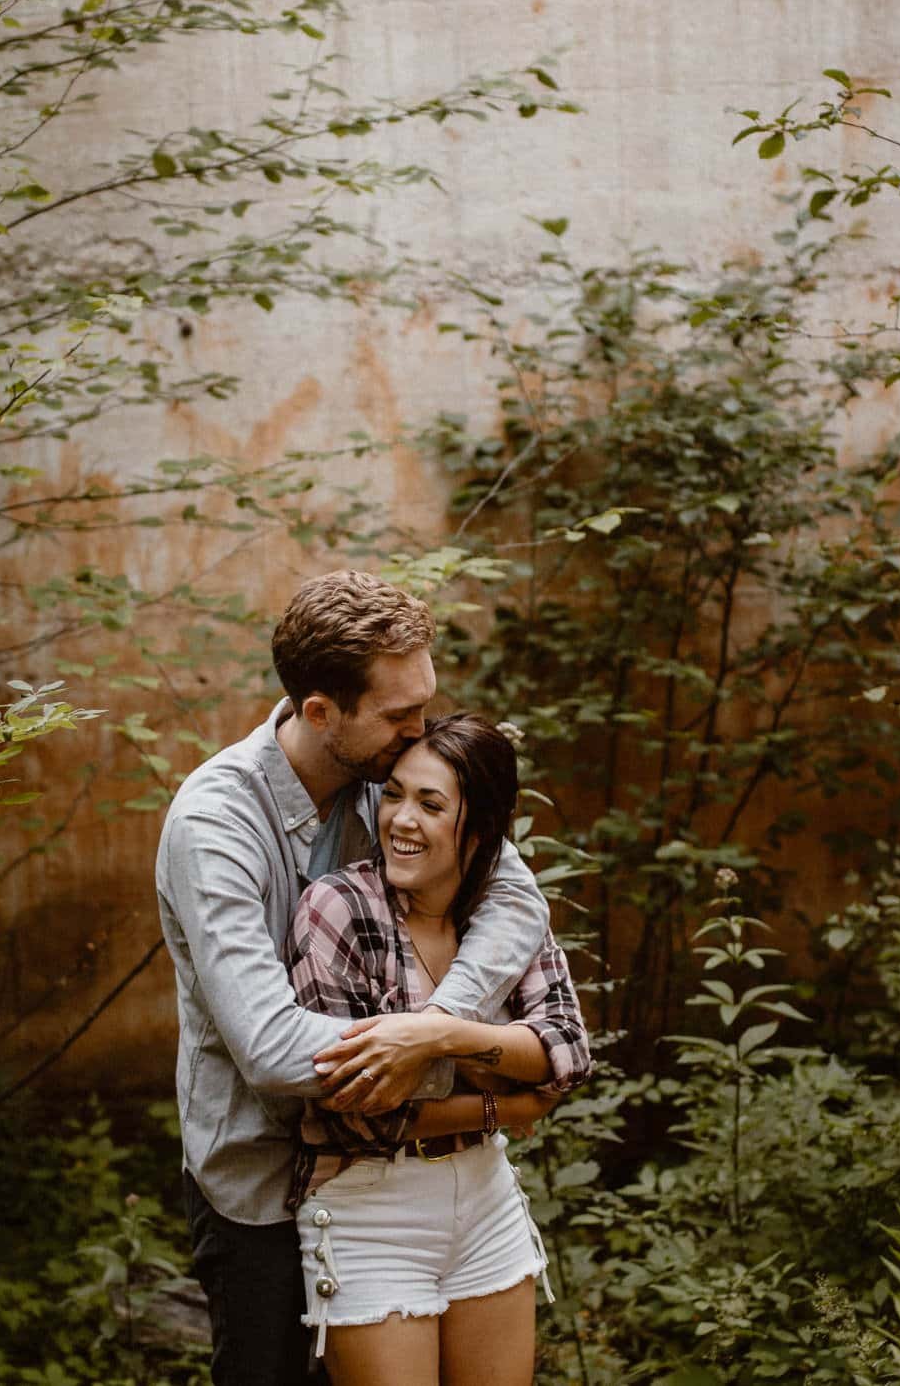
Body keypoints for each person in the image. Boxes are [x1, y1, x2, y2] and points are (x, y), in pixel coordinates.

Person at [155, 572, 553, 1386]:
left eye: (425, 702)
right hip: (262, 1185)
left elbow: (515, 895)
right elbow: (270, 1047)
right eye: (400, 713)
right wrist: (473, 1067)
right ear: (320, 712)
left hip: (385, 1184)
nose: (423, 728)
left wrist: (438, 1022)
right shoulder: (216, 823)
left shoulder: (392, 779)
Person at [285, 713, 591, 1386]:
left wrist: (441, 1035)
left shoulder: (504, 912)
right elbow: (355, 1110)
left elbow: (566, 1050)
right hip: (370, 1208)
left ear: (478, 828)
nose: (400, 819)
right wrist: (506, 1105)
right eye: (393, 793)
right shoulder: (336, 909)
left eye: (430, 804)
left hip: (486, 1200)